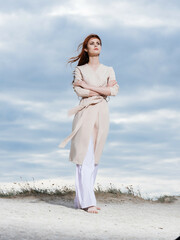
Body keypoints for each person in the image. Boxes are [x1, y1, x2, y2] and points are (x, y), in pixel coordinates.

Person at [58, 34, 119, 214]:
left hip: (102, 112)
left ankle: (81, 200)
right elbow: (79, 90)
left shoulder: (109, 69)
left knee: (95, 158)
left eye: (98, 43)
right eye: (92, 43)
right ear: (86, 48)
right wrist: (101, 90)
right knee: (84, 156)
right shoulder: (80, 70)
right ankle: (88, 202)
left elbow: (114, 90)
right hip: (85, 112)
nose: (96, 45)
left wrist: (89, 87)